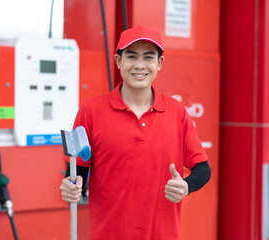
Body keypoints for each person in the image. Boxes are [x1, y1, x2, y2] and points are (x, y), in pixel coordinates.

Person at [60, 25, 211, 240]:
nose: (140, 65)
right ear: (118, 61)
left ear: (159, 64)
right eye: (131, 56)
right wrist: (71, 187)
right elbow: (77, 173)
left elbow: (203, 169)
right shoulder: (91, 111)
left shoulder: (177, 112)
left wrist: (186, 186)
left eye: (148, 57)